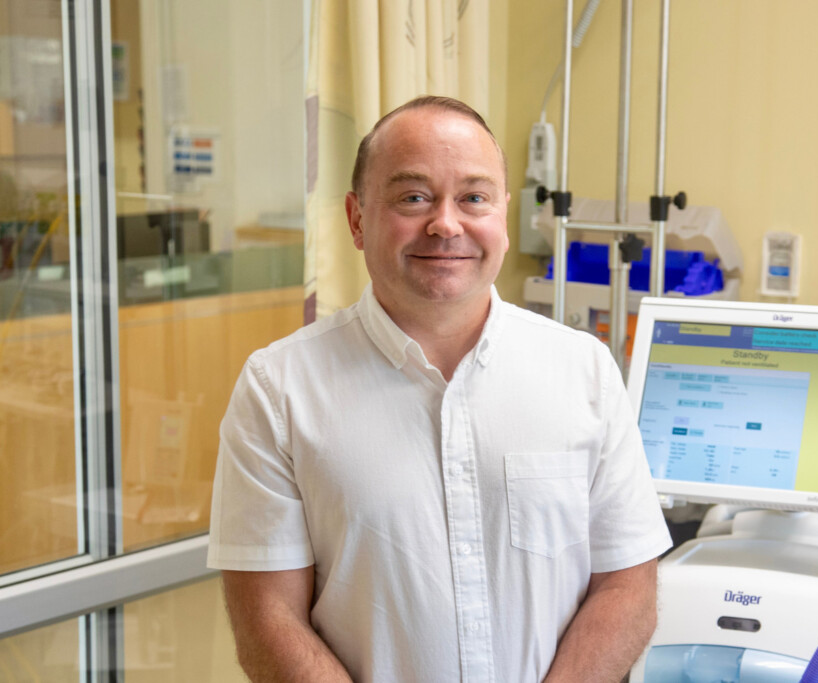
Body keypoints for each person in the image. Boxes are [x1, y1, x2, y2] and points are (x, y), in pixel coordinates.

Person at [207, 95, 672, 683]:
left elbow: (627, 584)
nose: (446, 224)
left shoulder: (584, 371)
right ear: (356, 218)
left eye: (473, 198)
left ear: (502, 214)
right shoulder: (278, 390)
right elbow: (268, 622)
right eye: (413, 197)